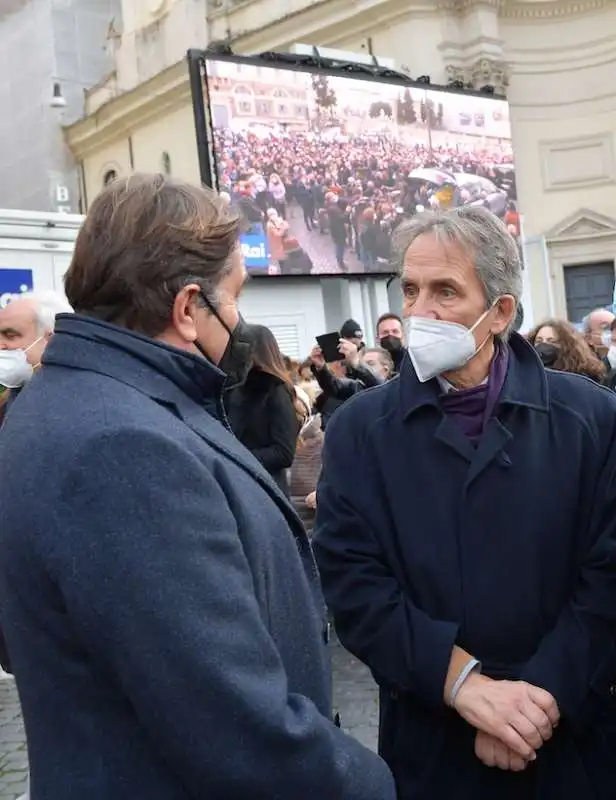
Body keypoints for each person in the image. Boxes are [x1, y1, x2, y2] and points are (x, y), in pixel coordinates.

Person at [0, 174, 395, 800]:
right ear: (187, 308)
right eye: (233, 297)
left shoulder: (79, 402)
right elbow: (234, 722)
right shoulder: (122, 444)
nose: (237, 321)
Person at [313, 205, 616, 799]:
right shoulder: (359, 430)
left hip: (573, 743)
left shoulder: (591, 418)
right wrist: (465, 686)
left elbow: (609, 577)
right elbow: (354, 584)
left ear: (499, 312)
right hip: (435, 746)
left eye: (445, 291)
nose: (419, 311)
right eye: (411, 289)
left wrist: (540, 698)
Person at [225, 324, 305, 495]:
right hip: (242, 482)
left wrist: (237, 456)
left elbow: (284, 452)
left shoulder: (275, 389)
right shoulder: (235, 386)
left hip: (266, 486)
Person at [0, 291, 73, 424]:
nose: (1, 345)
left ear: (51, 340)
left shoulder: (75, 402)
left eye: (10, 335)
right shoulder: (9, 399)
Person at [527, 318, 605, 381]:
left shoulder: (580, 376)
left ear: (566, 346)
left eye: (552, 341)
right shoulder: (529, 372)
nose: (543, 345)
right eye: (539, 341)